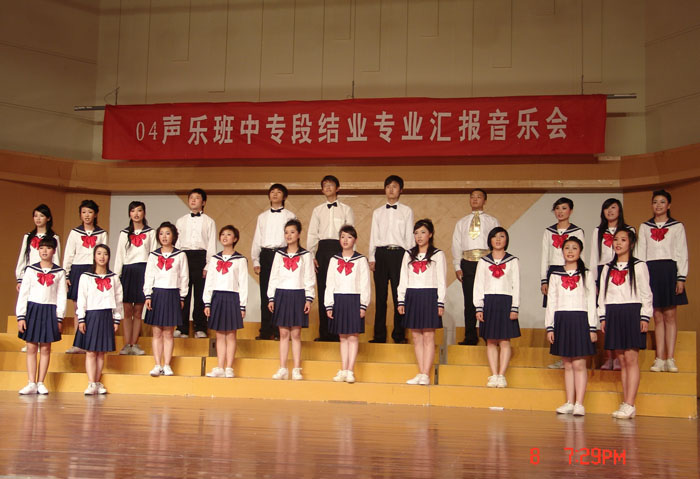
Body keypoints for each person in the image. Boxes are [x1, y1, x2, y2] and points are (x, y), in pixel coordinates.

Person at [599, 229, 653, 419]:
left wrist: (645, 316)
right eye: (616, 239)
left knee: (631, 358)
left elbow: (646, 293)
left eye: (623, 239)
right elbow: (602, 295)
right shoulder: (607, 267)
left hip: (632, 311)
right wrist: (603, 316)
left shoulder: (639, 266)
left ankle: (630, 403)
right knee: (621, 360)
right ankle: (626, 402)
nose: (618, 243)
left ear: (631, 243)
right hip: (613, 312)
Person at [636, 189, 688, 373]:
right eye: (655, 202)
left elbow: (682, 252)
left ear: (669, 205)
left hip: (670, 271)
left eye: (662, 202)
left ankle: (670, 358)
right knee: (657, 316)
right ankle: (659, 358)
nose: (658, 205)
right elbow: (640, 254)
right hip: (651, 271)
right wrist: (641, 277)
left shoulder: (677, 226)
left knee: (670, 315)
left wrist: (681, 277)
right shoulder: (645, 227)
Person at [545, 237, 597, 416]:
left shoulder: (587, 274)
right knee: (567, 364)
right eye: (567, 248)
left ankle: (579, 403)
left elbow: (591, 302)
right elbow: (551, 301)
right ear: (562, 251)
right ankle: (569, 402)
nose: (570, 251)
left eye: (574, 248)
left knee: (579, 364)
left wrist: (592, 327)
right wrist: (550, 327)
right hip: (562, 319)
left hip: (580, 319)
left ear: (580, 251)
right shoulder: (555, 274)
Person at [397, 219, 446, 385]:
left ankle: (426, 373)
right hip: (412, 295)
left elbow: (441, 280)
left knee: (428, 336)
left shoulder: (438, 254)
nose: (419, 236)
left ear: (430, 234)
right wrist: (401, 300)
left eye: (423, 232)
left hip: (429, 295)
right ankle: (421, 372)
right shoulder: (408, 254)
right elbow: (403, 279)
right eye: (416, 233)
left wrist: (440, 302)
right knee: (416, 336)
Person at [16, 236, 66, 395]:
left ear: (54, 251)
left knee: (45, 348)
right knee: (31, 347)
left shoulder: (59, 272)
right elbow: (23, 294)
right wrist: (21, 316)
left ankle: (41, 382)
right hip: (33, 309)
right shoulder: (30, 270)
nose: (44, 251)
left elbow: (61, 296)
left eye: (48, 248)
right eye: (42, 248)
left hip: (49, 310)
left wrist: (59, 317)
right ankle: (31, 382)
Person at [307, 175, 355, 342]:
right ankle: (325, 333)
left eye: (331, 184)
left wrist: (350, 256)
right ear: (322, 190)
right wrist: (311, 255)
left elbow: (351, 233)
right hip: (322, 251)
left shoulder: (346, 209)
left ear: (338, 188)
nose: (328, 187)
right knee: (323, 290)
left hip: (340, 249)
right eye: (325, 185)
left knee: (339, 290)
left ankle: (339, 331)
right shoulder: (317, 210)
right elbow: (312, 234)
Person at [589, 198, 634, 371]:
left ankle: (620, 356)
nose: (610, 211)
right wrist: (594, 281)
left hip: (624, 270)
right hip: (603, 271)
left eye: (613, 207)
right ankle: (609, 357)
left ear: (619, 210)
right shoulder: (598, 231)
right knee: (606, 315)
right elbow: (594, 257)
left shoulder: (629, 230)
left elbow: (634, 255)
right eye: (606, 208)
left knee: (619, 313)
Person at [268, 219, 315, 381]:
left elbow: (309, 277)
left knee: (295, 333)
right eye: (286, 232)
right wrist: (271, 297)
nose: (289, 235)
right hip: (281, 294)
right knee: (283, 333)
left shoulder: (306, 255)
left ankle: (296, 369)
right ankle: (282, 368)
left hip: (298, 294)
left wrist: (308, 299)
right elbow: (273, 277)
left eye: (292, 232)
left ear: (299, 234)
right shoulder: (279, 254)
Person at [369, 175, 414, 344]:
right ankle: (379, 336)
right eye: (388, 186)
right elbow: (374, 235)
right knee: (380, 297)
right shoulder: (377, 212)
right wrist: (372, 257)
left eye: (394, 186)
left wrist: (409, 259)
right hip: (381, 254)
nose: (391, 189)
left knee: (398, 296)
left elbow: (410, 237)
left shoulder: (407, 211)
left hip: (399, 255)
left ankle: (399, 335)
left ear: (401, 190)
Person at [540, 197, 584, 369]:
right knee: (556, 312)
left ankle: (572, 354)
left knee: (570, 312)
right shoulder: (548, 231)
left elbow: (581, 255)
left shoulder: (577, 231)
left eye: (564, 208)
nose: (560, 212)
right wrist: (544, 279)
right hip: (554, 271)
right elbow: (544, 255)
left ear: (570, 211)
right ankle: (562, 355)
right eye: (557, 208)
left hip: (573, 271)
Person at [473, 227, 520, 388]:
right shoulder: (483, 261)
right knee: (491, 340)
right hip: (489, 302)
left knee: (505, 341)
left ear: (506, 240)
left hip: (506, 301)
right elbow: (478, 285)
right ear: (490, 240)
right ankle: (494, 375)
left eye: (502, 236)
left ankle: (502, 375)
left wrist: (515, 307)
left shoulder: (513, 261)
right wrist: (479, 307)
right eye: (495, 237)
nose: (498, 239)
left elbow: (516, 285)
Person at [452, 188, 500, 346]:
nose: (475, 199)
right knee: (469, 301)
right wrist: (457, 265)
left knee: (487, 300)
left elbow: (498, 242)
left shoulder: (492, 221)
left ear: (484, 200)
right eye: (472, 197)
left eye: (479, 197)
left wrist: (495, 262)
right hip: (467, 262)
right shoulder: (462, 222)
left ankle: (489, 335)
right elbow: (456, 244)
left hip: (487, 262)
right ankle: (470, 336)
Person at [325, 225, 370, 383]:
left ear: (355, 240)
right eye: (343, 237)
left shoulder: (361, 260)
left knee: (353, 336)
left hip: (354, 299)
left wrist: (363, 305)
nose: (345, 240)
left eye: (349, 237)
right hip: (339, 299)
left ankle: (350, 370)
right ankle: (343, 369)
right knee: (342, 337)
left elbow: (365, 284)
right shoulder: (334, 260)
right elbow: (329, 283)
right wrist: (329, 304)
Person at [144, 222, 189, 377]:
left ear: (173, 236)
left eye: (168, 233)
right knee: (156, 332)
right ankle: (157, 365)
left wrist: (182, 296)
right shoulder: (153, 255)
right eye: (161, 233)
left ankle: (167, 365)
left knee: (169, 333)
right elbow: (149, 276)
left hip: (172, 294)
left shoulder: (180, 255)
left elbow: (184, 277)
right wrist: (148, 295)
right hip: (157, 294)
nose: (164, 236)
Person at [251, 184, 296, 340]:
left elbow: (294, 237)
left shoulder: (290, 215)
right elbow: (257, 238)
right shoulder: (262, 217)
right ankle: (265, 330)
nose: (275, 194)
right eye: (272, 192)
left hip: (283, 254)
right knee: (265, 293)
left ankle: (279, 330)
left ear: (284, 196)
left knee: (281, 293)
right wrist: (256, 260)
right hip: (266, 254)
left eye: (279, 192)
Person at [77, 244, 123, 395]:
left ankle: (97, 382)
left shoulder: (114, 278)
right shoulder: (86, 277)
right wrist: (81, 318)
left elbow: (118, 300)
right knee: (91, 351)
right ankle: (91, 383)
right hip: (91, 315)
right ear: (94, 256)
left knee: (101, 352)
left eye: (105, 254)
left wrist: (116, 319)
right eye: (99, 253)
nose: (102, 257)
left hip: (106, 316)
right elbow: (81, 298)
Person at [63, 200, 108, 354]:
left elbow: (105, 254)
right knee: (78, 308)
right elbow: (69, 254)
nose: (87, 215)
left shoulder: (102, 233)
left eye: (90, 212)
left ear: (95, 214)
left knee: (92, 307)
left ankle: (92, 342)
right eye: (83, 212)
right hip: (77, 270)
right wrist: (66, 274)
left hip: (95, 271)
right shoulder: (75, 233)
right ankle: (79, 343)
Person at [203, 225, 248, 378]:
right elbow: (209, 281)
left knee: (231, 334)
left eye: (229, 234)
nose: (225, 237)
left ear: (235, 239)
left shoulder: (240, 260)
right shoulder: (214, 259)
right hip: (217, 297)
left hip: (233, 297)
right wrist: (207, 302)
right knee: (219, 334)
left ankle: (229, 367)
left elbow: (243, 283)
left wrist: (242, 305)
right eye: (222, 234)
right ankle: (220, 367)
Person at [114, 201, 156, 355]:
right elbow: (119, 256)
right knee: (127, 310)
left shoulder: (151, 233)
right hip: (127, 271)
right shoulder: (124, 233)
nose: (136, 214)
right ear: (129, 214)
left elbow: (153, 256)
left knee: (138, 310)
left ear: (144, 213)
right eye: (133, 211)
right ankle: (127, 344)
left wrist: (152, 277)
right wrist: (116, 277)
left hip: (143, 271)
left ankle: (135, 344)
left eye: (139, 210)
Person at [175, 188, 217, 339]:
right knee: (183, 294)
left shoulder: (209, 221)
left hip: (201, 257)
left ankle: (200, 327)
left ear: (203, 202)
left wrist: (208, 265)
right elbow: (177, 243)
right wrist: (176, 262)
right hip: (184, 256)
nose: (193, 200)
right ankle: (182, 328)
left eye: (197, 198)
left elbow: (211, 245)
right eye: (191, 197)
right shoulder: (180, 221)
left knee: (200, 295)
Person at [15, 204, 62, 291]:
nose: (38, 218)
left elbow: (56, 259)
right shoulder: (28, 237)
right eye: (36, 216)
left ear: (48, 218)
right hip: (31, 274)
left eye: (41, 216)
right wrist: (20, 278)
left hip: (47, 275)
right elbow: (23, 257)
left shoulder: (54, 237)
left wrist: (55, 275)